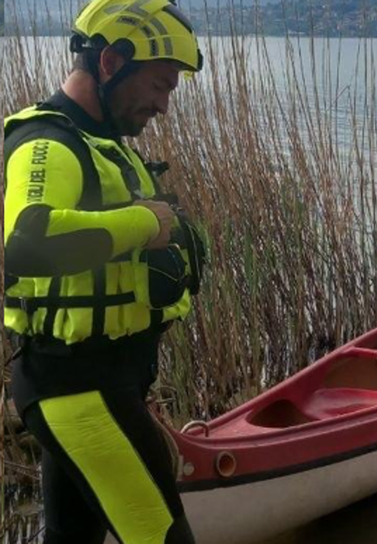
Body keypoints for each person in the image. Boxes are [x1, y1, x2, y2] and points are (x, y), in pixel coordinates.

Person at [4, 1, 205, 541]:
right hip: (77, 387)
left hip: (101, 381)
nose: (164, 106)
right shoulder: (47, 144)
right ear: (112, 62)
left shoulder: (103, 147)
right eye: (160, 86)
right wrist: (142, 221)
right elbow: (25, 245)